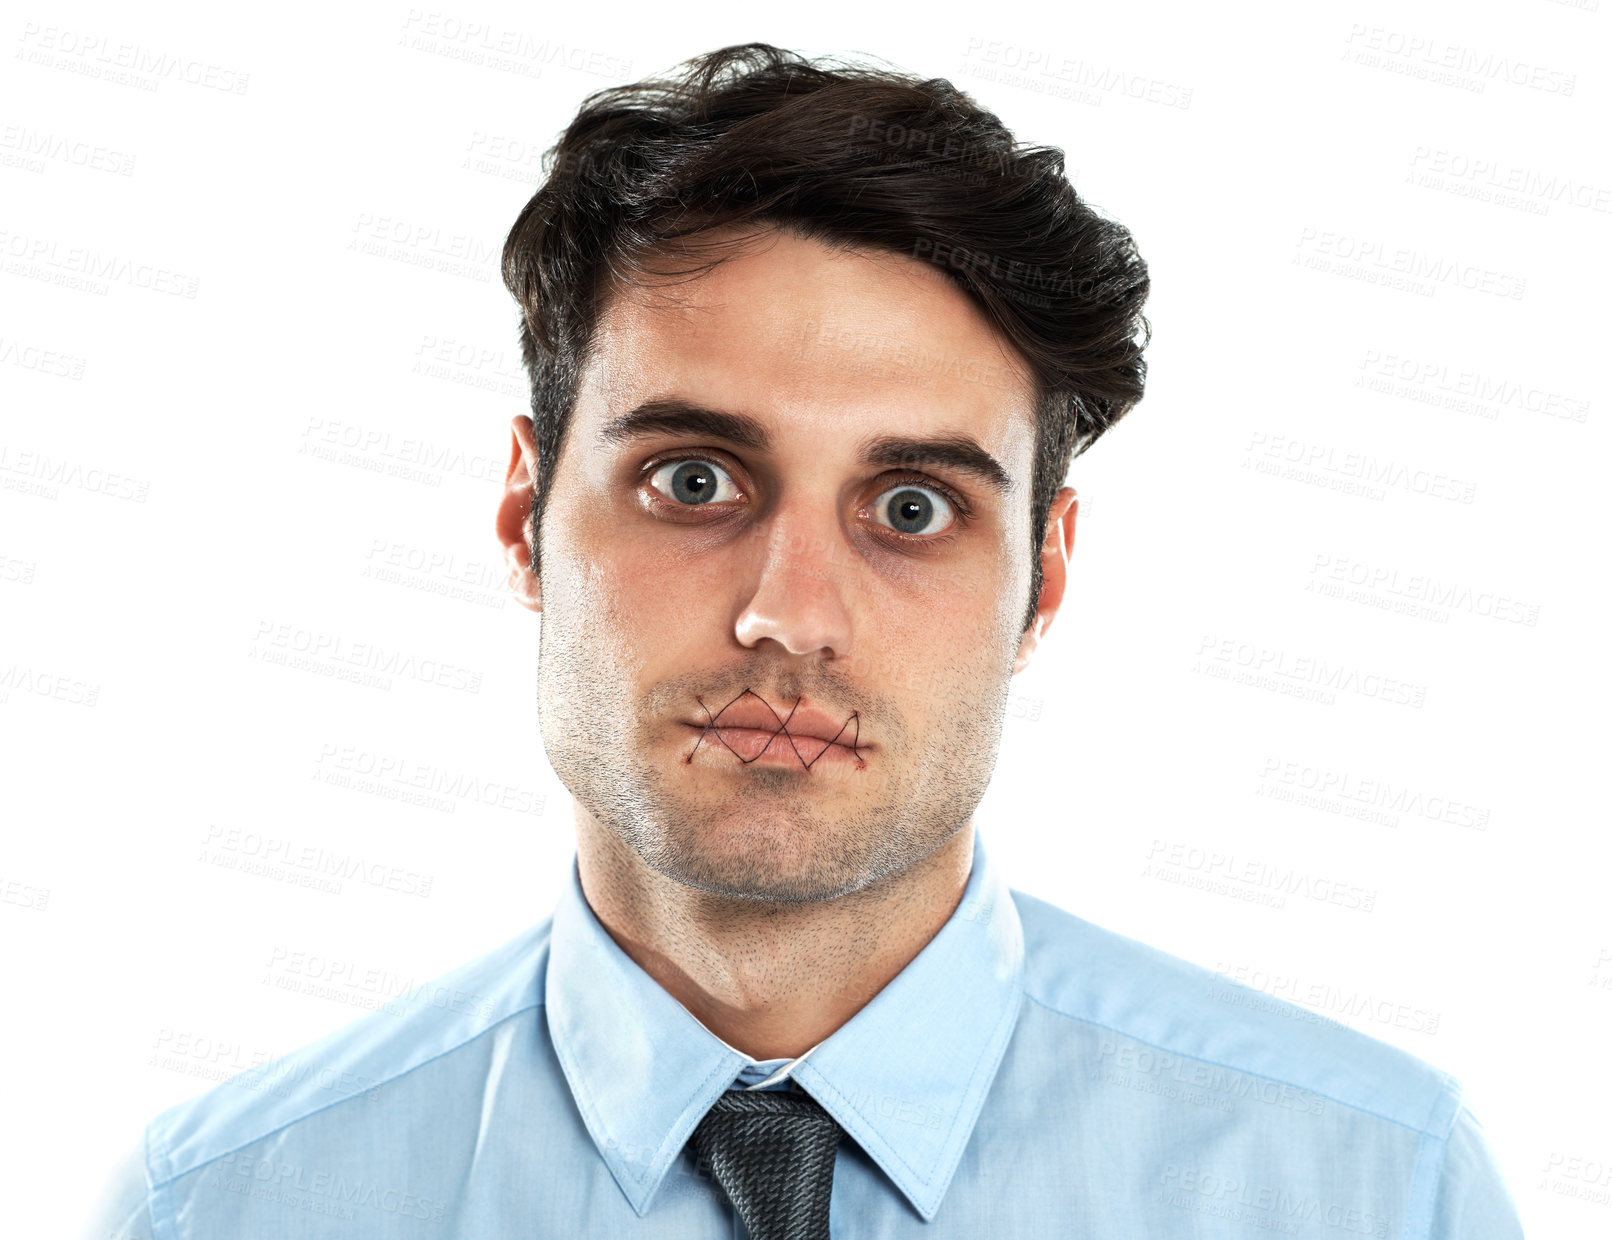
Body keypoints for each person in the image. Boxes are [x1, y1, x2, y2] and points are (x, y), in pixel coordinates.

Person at [87, 42, 1523, 1239]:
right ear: (526, 516)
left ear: (1044, 578)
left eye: (912, 505)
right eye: (695, 480)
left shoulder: (1371, 1189)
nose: (789, 612)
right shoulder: (225, 1209)